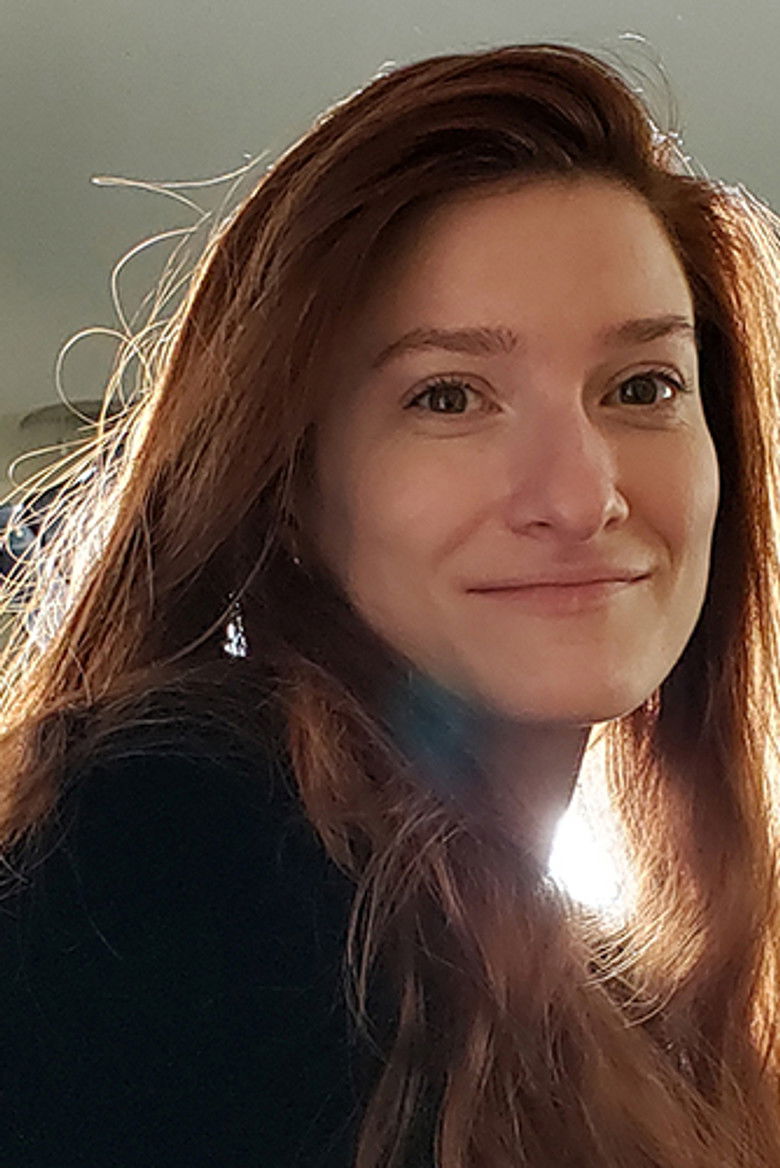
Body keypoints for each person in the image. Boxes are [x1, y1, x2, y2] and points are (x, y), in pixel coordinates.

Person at [1, 41, 780, 1168]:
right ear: (287, 483)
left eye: (642, 386)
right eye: (449, 396)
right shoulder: (168, 847)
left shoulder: (614, 993)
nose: (582, 496)